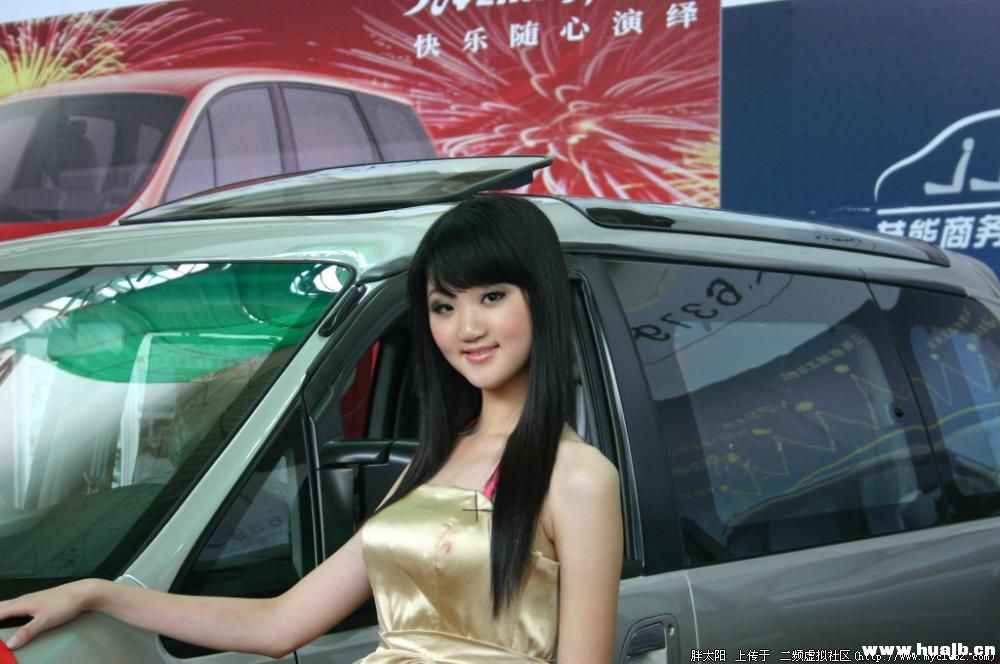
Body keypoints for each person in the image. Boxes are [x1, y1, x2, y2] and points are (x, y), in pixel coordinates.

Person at [0, 195, 623, 663]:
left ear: (540, 297)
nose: (466, 329)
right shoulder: (433, 459)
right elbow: (280, 623)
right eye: (443, 305)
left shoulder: (578, 478)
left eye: (491, 297)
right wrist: (101, 594)